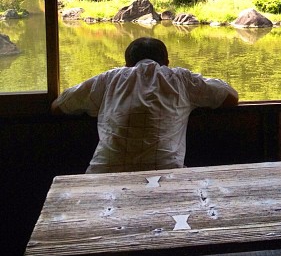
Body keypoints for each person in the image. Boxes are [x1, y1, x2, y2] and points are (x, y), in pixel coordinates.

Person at [51, 37, 239, 173]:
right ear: (167, 62)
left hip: (104, 175)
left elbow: (58, 106)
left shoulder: (109, 78)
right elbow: (230, 97)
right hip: (166, 175)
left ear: (127, 64)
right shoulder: (180, 78)